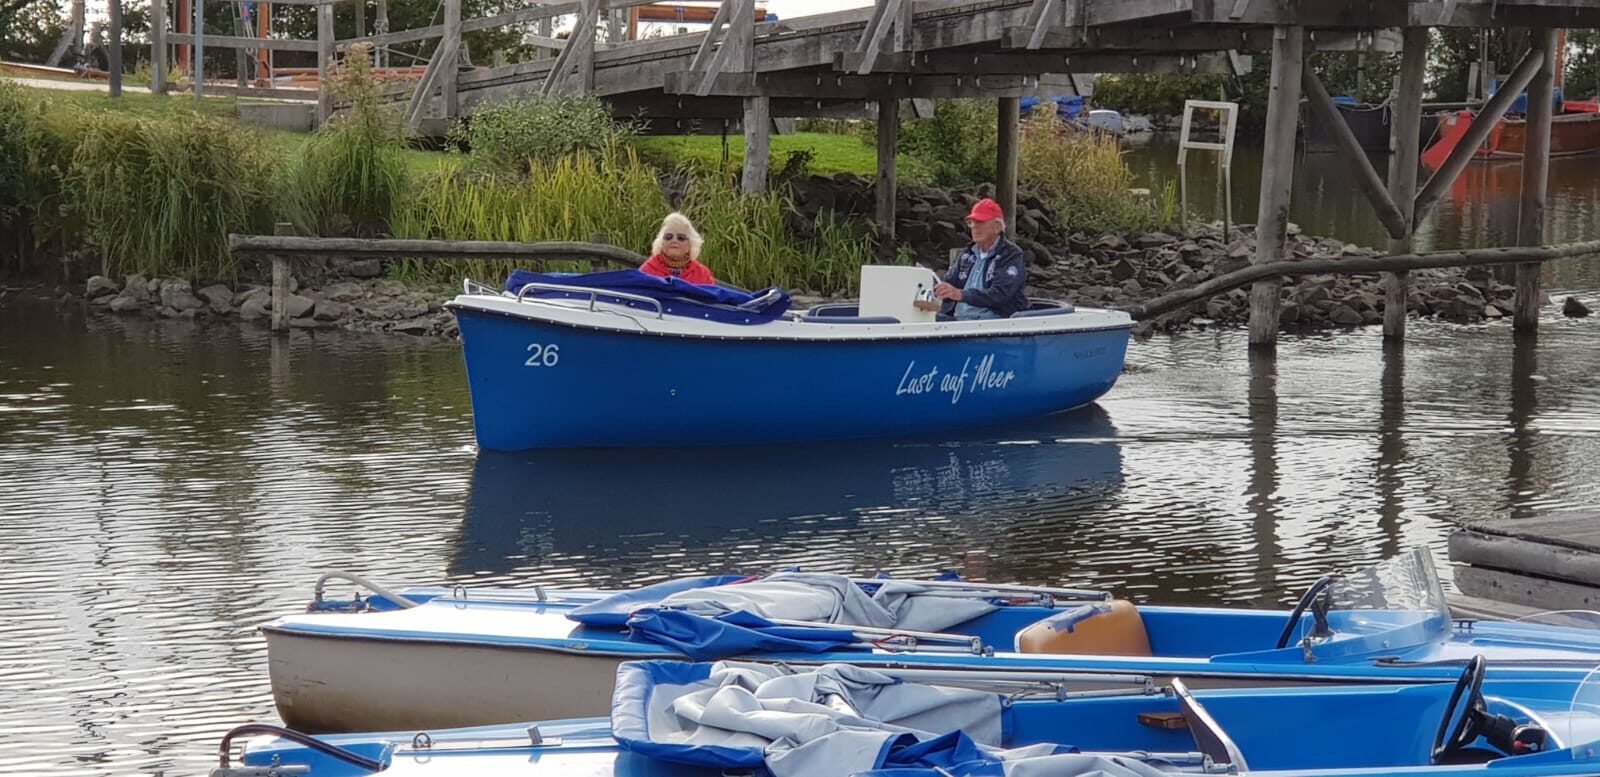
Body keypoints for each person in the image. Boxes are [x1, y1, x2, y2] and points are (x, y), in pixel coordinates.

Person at [933, 198, 1028, 320]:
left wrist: (959, 294)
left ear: (997, 227)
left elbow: (1000, 295)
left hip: (995, 323)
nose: (975, 227)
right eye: (972, 222)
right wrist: (930, 281)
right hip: (958, 321)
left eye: (980, 222)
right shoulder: (966, 254)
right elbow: (949, 283)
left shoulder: (1011, 254)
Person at [639, 212, 716, 285]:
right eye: (668, 237)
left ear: (690, 244)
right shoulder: (647, 270)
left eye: (681, 238)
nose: (674, 240)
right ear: (661, 243)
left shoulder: (702, 274)